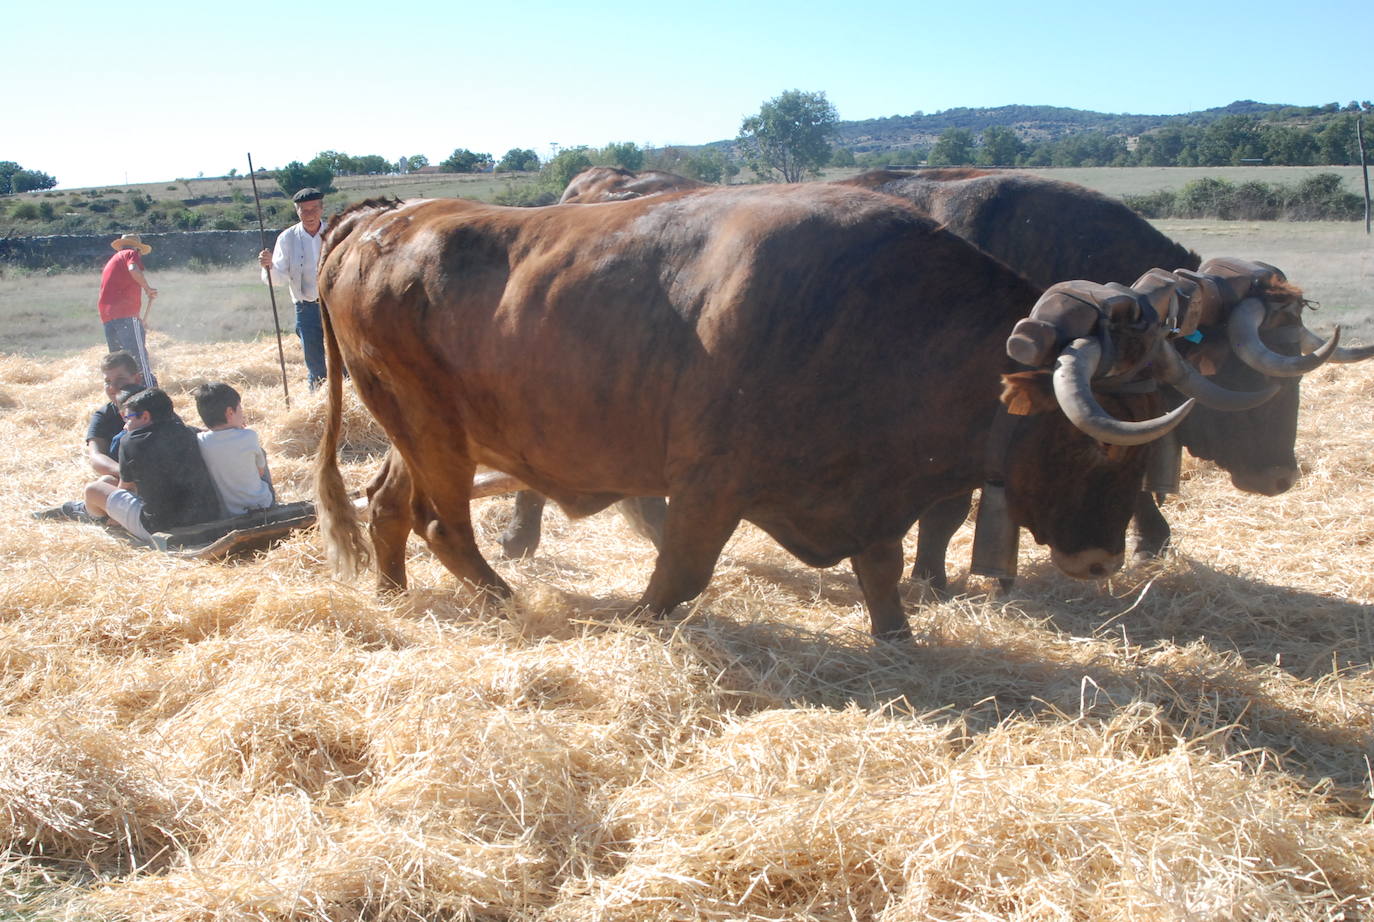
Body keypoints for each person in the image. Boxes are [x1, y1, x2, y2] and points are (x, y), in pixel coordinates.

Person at [83, 388, 224, 542]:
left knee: (94, 489)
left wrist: (117, 514)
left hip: (161, 528)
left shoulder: (130, 441)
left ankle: (101, 520)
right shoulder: (189, 432)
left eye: (128, 419)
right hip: (208, 517)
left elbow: (126, 488)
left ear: (145, 416)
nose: (125, 426)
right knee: (108, 482)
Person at [34, 351, 145, 520]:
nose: (113, 388)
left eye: (120, 380)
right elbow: (96, 456)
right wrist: (127, 474)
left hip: (155, 480)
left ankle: (87, 511)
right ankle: (83, 511)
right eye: (108, 381)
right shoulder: (104, 415)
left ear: (136, 379)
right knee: (105, 483)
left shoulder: (154, 405)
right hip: (124, 480)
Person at [259, 188, 328, 389]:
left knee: (345, 363)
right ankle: (317, 406)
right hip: (306, 309)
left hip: (336, 307)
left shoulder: (337, 232)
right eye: (303, 210)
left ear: (321, 209)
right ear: (296, 211)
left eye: (314, 208)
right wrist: (269, 265)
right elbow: (278, 278)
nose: (309, 215)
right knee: (315, 367)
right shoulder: (287, 238)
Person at [192, 382, 275, 516]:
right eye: (240, 409)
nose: (242, 414)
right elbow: (260, 472)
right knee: (261, 453)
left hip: (229, 512)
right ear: (230, 412)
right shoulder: (249, 436)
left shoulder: (200, 441)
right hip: (263, 504)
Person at [97, 233, 158, 379]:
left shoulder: (112, 260)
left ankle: (121, 392)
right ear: (137, 248)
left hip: (107, 316)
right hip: (125, 314)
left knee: (117, 360)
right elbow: (133, 269)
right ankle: (145, 388)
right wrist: (147, 288)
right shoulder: (131, 254)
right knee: (137, 356)